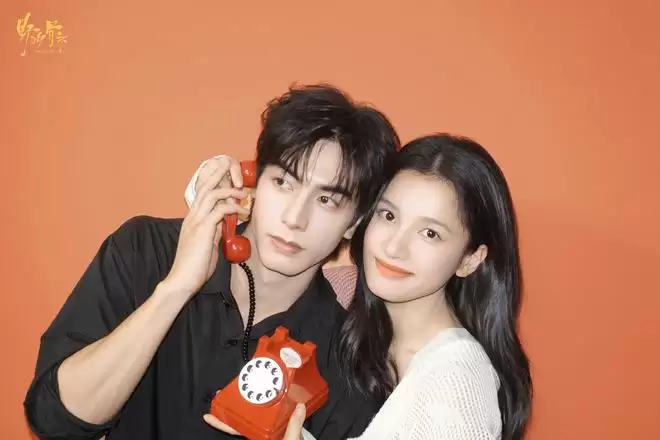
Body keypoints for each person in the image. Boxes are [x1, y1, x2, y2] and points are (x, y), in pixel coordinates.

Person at [23, 83, 400, 440]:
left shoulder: (349, 360)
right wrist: (174, 289)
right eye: (283, 182)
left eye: (326, 200)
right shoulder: (145, 249)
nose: (294, 218)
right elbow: (54, 421)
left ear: (354, 223)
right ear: (253, 179)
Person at [202, 133, 533, 440]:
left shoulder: (457, 384)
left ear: (470, 260)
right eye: (389, 216)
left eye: (430, 233)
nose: (394, 247)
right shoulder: (354, 326)